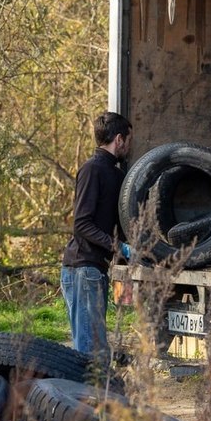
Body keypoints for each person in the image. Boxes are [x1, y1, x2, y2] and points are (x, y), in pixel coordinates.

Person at [61, 111, 132, 361]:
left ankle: (94, 396)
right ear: (119, 140)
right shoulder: (92, 170)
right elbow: (82, 224)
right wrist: (119, 248)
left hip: (93, 269)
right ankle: (88, 398)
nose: (128, 147)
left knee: (94, 347)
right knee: (90, 353)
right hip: (82, 268)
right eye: (128, 141)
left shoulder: (115, 174)